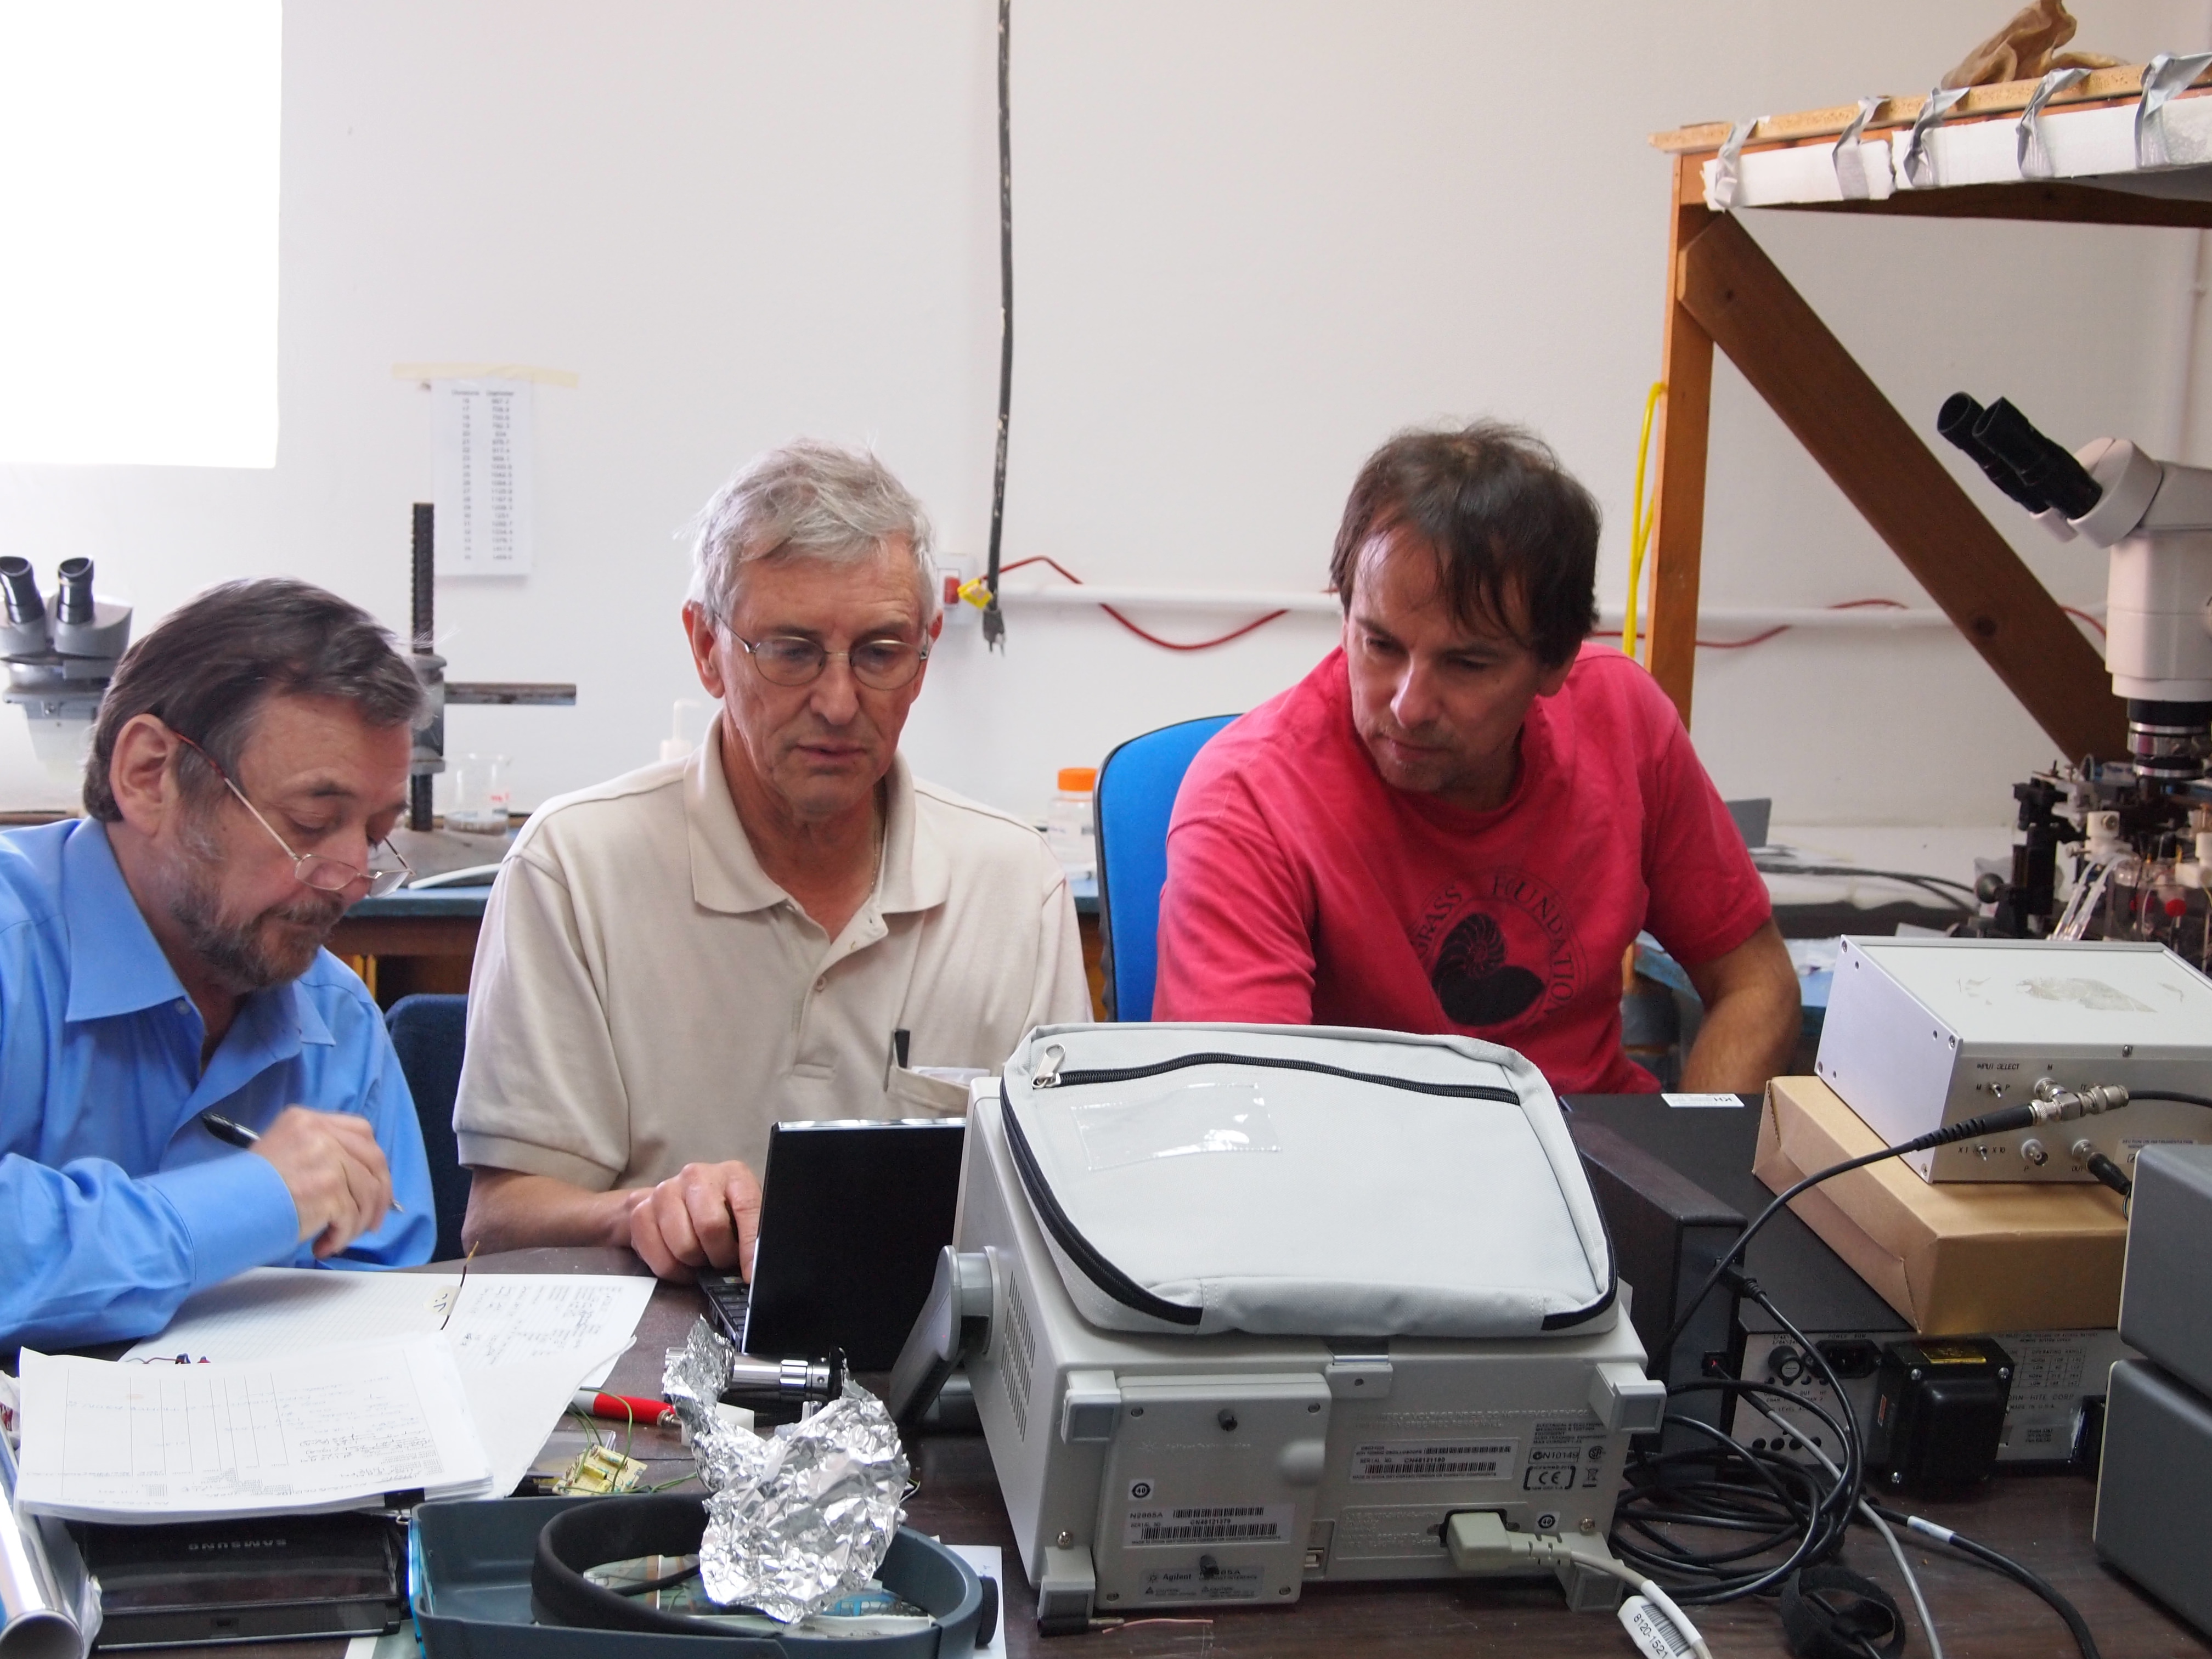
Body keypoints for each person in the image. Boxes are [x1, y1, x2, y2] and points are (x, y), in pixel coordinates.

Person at [456, 439, 1090, 1281]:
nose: (837, 702)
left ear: (927, 648)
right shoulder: (574, 868)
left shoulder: (1013, 887)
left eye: (880, 652)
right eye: (790, 651)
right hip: (647, 1375)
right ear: (706, 648)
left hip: (924, 1374)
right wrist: (640, 1213)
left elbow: (1070, 1209)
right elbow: (500, 1222)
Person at [1153, 420, 1798, 1094]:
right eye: (1380, 645)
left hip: (1597, 1166)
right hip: (1365, 1177)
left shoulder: (1623, 718)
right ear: (1346, 614)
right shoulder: (1249, 797)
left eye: (1465, 664)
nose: (1408, 705)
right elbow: (1251, 1109)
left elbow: (1757, 982)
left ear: (1555, 663)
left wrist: (1690, 1180)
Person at [0, 580, 436, 1351]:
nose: (351, 877)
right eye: (310, 821)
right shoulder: (14, 947)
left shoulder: (336, 1020)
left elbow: (382, 1313)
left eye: (374, 835)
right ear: (149, 774)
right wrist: (251, 1201)